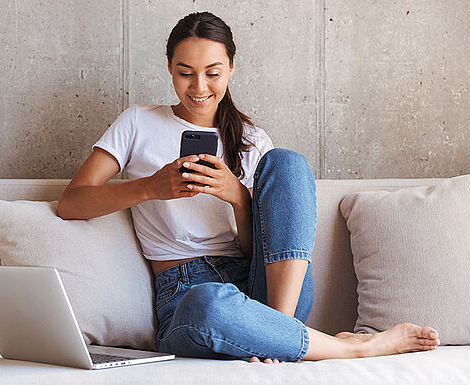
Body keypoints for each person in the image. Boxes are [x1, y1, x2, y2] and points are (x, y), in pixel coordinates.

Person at [57, 11, 440, 363]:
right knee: (208, 302)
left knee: (288, 162)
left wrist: (238, 196)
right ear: (169, 68)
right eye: (185, 72)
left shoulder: (254, 141)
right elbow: (72, 203)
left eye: (213, 72)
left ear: (232, 67)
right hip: (188, 297)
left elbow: (265, 248)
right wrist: (152, 187)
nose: (199, 86)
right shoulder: (138, 123)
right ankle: (346, 347)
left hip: (270, 294)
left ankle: (276, 333)